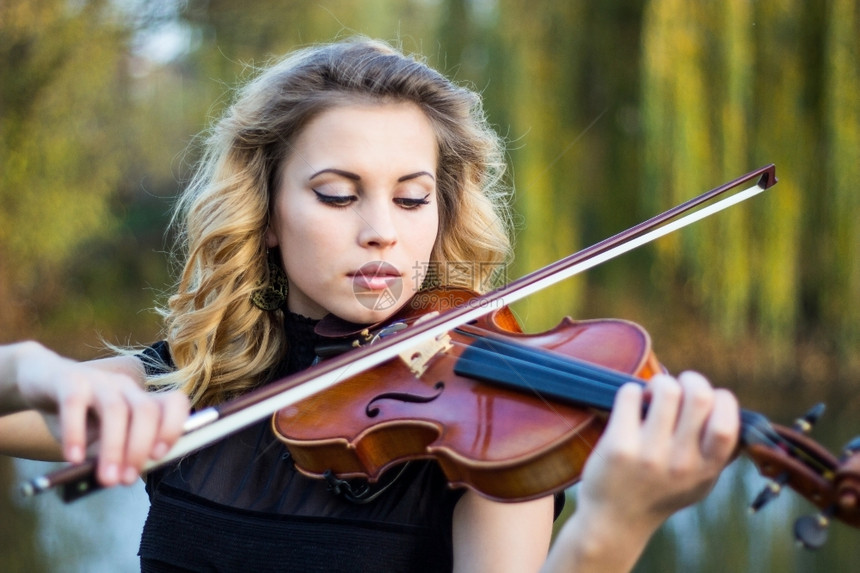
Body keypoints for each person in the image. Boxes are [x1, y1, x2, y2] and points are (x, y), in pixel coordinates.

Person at [0, 38, 739, 572]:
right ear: (265, 210)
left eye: (413, 197)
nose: (383, 228)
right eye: (337, 194)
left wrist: (615, 523)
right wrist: (36, 370)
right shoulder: (196, 385)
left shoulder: (488, 438)